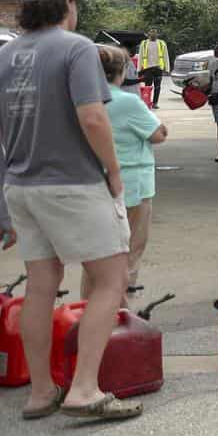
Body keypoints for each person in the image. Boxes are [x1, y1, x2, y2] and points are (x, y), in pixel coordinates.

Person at [1, 0, 140, 421]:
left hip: (21, 185)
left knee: (42, 283)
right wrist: (114, 172)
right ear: (68, 5)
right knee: (111, 278)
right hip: (73, 183)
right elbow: (93, 118)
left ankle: (41, 392)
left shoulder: (5, 56)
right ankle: (84, 388)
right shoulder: (75, 47)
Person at [83, 45, 167, 303]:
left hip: (92, 185)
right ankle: (119, 313)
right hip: (132, 186)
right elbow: (158, 134)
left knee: (96, 255)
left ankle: (88, 309)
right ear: (121, 72)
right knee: (129, 253)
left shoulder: (81, 101)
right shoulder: (128, 102)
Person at [137, 29, 169, 108]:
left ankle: (155, 103)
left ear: (157, 34)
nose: (153, 33)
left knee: (157, 87)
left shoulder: (162, 43)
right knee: (147, 87)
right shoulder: (144, 43)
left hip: (158, 68)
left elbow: (165, 56)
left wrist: (167, 68)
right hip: (147, 68)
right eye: (151, 31)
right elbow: (140, 56)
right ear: (148, 34)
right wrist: (139, 69)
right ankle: (147, 102)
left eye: (155, 32)